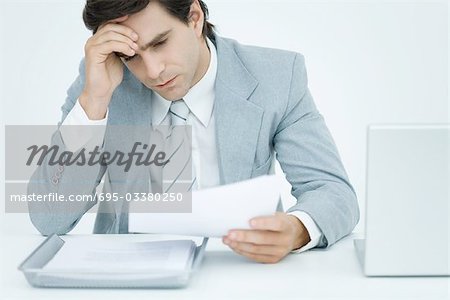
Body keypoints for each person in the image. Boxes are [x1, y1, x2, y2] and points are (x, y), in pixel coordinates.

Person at [28, 0, 359, 264]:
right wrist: (94, 102)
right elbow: (48, 218)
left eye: (160, 43)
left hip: (245, 274)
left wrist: (296, 228)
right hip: (129, 279)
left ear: (195, 17)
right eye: (131, 56)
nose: (153, 71)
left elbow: (332, 190)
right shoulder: (100, 80)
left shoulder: (277, 77)